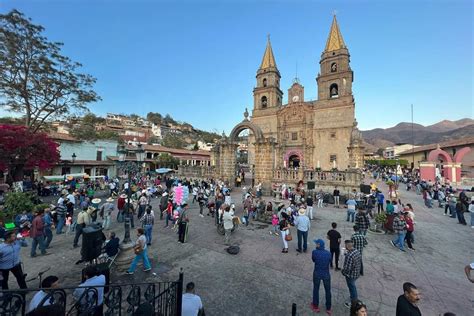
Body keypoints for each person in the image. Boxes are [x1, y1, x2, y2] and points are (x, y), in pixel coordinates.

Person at [310, 239, 332, 314]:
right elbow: (330, 261)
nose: (315, 245)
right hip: (326, 274)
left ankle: (315, 306)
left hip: (317, 273)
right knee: (328, 291)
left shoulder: (314, 252)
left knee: (316, 289)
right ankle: (328, 308)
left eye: (316, 244)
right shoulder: (328, 253)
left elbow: (313, 260)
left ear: (319, 245)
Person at [341, 239, 362, 308]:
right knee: (353, 287)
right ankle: (354, 297)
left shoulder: (349, 256)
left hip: (351, 275)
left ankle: (354, 301)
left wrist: (343, 272)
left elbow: (347, 268)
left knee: (352, 288)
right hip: (357, 273)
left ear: (347, 246)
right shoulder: (356, 251)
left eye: (345, 245)